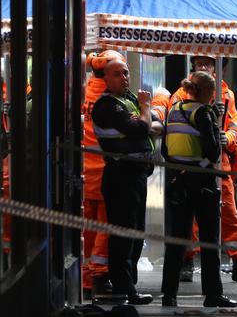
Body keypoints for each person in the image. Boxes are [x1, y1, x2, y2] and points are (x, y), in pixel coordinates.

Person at [155, 55, 237, 283]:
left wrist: (229, 138)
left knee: (229, 214)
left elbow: (235, 124)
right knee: (191, 222)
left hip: (218, 163)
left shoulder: (226, 94)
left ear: (216, 67)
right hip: (192, 165)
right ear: (193, 66)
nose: (204, 66)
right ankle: (188, 261)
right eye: (200, 63)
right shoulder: (180, 95)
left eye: (208, 63)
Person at [160, 72, 237, 308]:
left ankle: (169, 294)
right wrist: (215, 124)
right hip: (202, 182)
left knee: (176, 240)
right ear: (206, 92)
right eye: (212, 92)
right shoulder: (203, 113)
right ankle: (213, 294)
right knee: (209, 241)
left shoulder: (173, 110)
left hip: (178, 181)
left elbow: (164, 149)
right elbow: (214, 152)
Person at [91, 59, 155, 305]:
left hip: (136, 176)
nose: (124, 78)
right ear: (105, 79)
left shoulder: (127, 101)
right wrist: (146, 109)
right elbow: (140, 129)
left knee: (136, 232)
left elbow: (149, 126)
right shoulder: (107, 105)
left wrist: (145, 120)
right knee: (124, 235)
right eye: (117, 74)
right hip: (121, 176)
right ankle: (123, 288)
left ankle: (130, 286)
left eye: (126, 73)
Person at [82, 50, 125, 298]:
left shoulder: (87, 91)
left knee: (88, 230)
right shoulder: (110, 98)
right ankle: (99, 275)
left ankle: (87, 279)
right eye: (119, 72)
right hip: (107, 172)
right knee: (105, 228)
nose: (123, 77)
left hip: (86, 172)